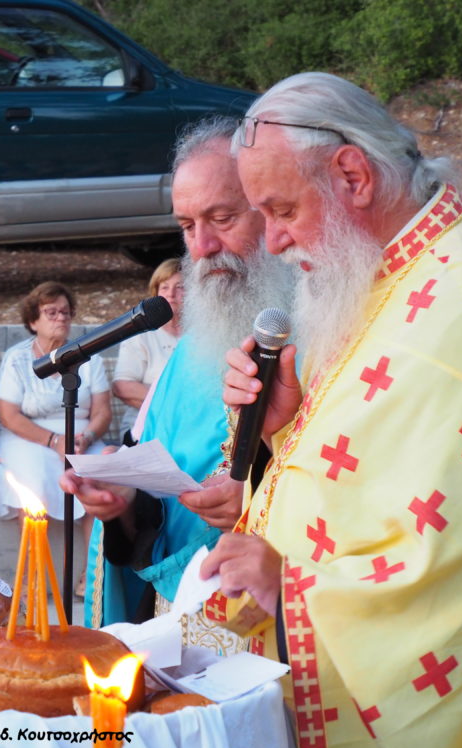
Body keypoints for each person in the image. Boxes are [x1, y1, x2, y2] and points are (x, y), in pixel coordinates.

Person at [202, 72, 462, 748]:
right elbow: (362, 481)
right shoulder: (386, 271)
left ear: (352, 175)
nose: (270, 241)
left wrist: (291, 586)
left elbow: (460, 568)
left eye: (280, 209)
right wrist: (279, 430)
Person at [62, 116, 293, 634]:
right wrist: (120, 501)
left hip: (272, 622)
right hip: (176, 620)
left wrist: (252, 495)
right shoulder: (190, 350)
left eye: (223, 217)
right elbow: (152, 486)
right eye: (188, 226)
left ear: (271, 210)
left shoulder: (322, 330)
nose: (203, 245)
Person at [0, 281, 111, 593]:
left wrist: (85, 438)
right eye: (51, 312)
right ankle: (32, 576)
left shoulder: (90, 356)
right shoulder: (17, 359)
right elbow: (9, 415)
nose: (61, 318)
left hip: (81, 435)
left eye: (65, 312)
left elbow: (102, 412)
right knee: (32, 475)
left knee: (97, 474)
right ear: (33, 321)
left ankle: (94, 576)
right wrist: (53, 441)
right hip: (29, 437)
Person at [112, 257, 182, 439]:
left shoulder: (202, 334)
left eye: (180, 287)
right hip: (143, 427)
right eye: (164, 287)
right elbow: (122, 387)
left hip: (190, 428)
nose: (171, 294)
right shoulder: (141, 334)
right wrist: (175, 402)